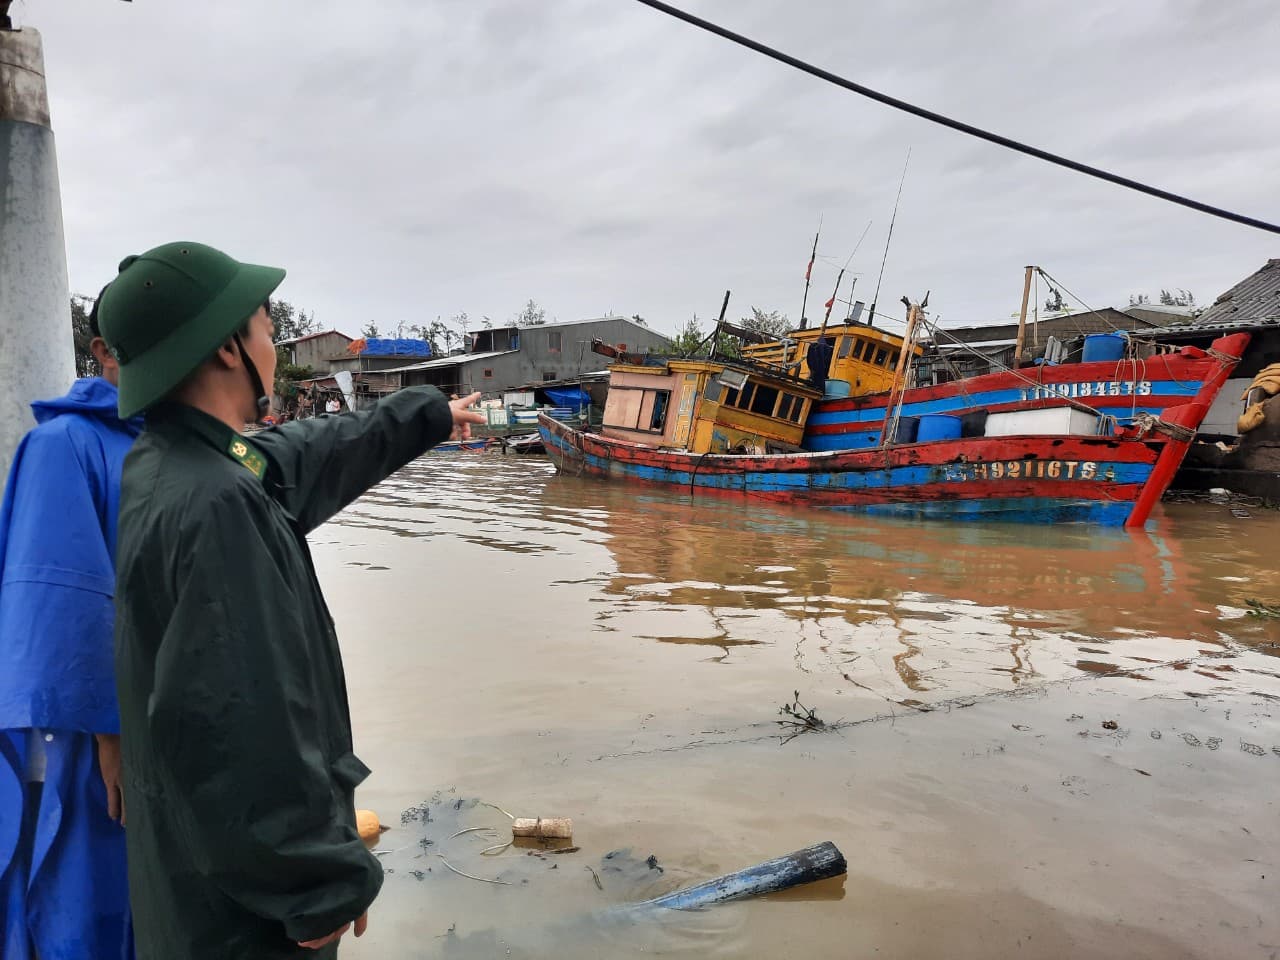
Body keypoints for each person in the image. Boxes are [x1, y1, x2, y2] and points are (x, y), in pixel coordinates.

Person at [98, 241, 484, 959]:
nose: (274, 348)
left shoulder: (175, 464)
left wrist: (427, 414)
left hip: (197, 883)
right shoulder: (214, 505)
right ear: (225, 349)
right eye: (267, 329)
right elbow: (238, 722)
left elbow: (311, 451)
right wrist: (315, 883)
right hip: (246, 919)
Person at [0, 293, 138, 959]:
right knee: (87, 903)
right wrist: (109, 727)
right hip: (93, 736)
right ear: (103, 354)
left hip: (161, 723)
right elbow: (62, 599)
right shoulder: (64, 444)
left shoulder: (173, 444)